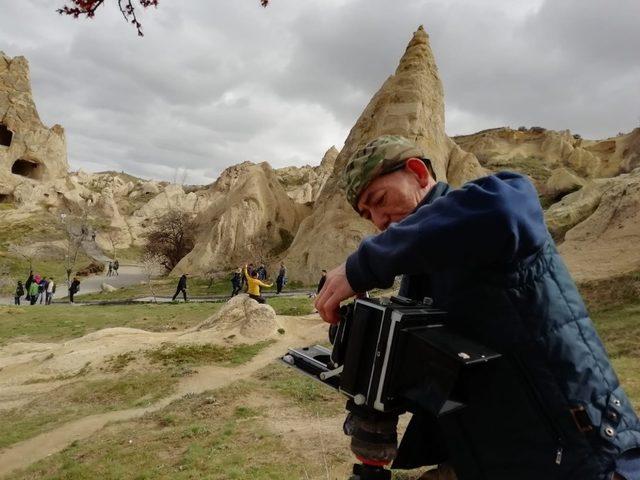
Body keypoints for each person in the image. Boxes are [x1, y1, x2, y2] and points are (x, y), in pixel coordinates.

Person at [314, 135, 640, 480]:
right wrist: (365, 346)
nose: (379, 220)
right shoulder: (420, 271)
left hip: (581, 451)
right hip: (501, 458)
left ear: (418, 173)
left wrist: (364, 263)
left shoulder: (492, 205)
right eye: (368, 215)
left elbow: (506, 210)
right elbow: (440, 376)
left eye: (379, 200)